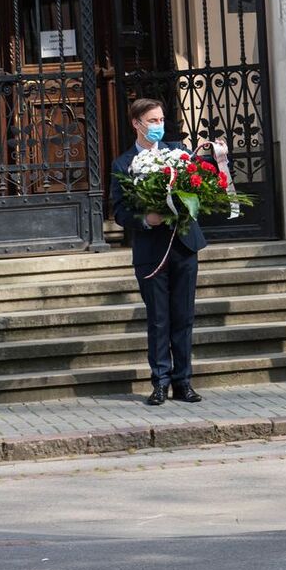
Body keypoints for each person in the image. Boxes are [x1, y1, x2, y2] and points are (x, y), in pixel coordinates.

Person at [110, 98, 207, 406]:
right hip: (151, 252)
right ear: (136, 124)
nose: (158, 126)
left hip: (183, 245)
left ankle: (183, 382)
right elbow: (120, 212)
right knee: (158, 319)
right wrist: (146, 219)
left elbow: (200, 186)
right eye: (152, 121)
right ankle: (160, 382)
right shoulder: (123, 164)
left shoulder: (177, 153)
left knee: (183, 317)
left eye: (161, 120)